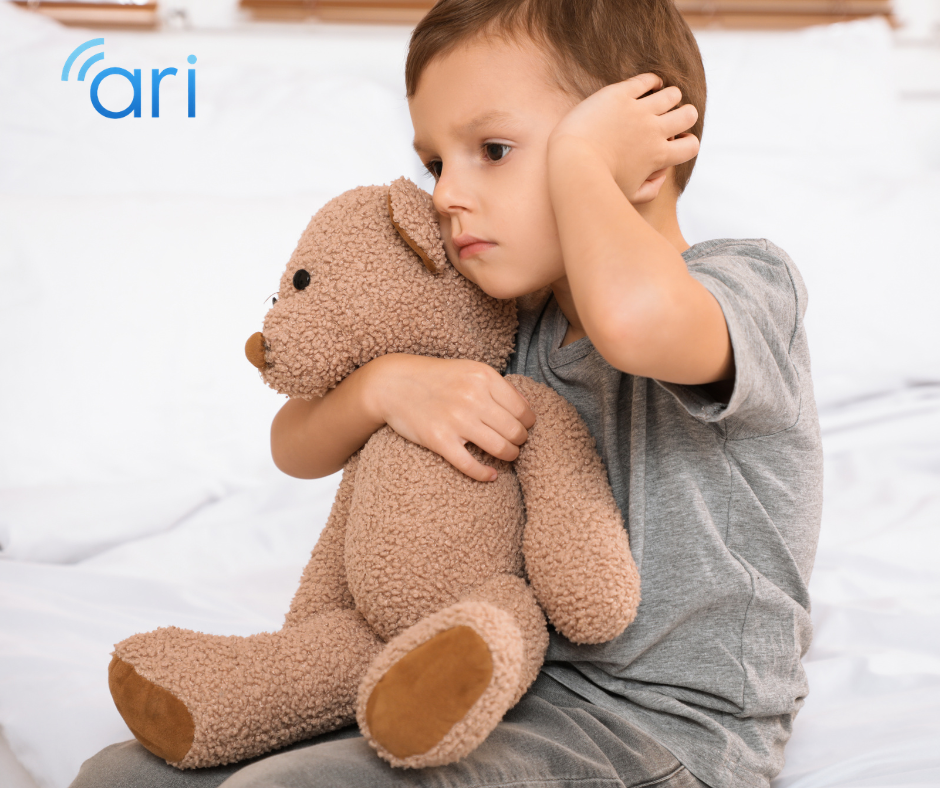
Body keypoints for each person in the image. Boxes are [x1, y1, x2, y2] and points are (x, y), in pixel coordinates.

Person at [70, 1, 823, 787]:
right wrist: (383, 388)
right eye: (436, 163)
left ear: (641, 153)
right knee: (124, 775)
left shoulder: (746, 288)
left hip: (664, 729)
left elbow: (632, 322)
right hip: (494, 686)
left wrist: (579, 163)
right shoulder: (504, 325)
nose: (446, 195)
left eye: (492, 150)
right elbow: (291, 446)